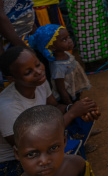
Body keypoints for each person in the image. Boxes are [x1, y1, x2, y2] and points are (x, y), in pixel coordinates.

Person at [0, 46, 100, 175]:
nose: (38, 72)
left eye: (37, 64)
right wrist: (72, 112)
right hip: (19, 159)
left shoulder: (39, 83)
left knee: (82, 114)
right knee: (69, 165)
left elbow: (54, 107)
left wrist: (75, 108)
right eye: (28, 72)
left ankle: (75, 145)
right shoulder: (7, 107)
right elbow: (33, 143)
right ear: (12, 78)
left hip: (42, 143)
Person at [13, 105, 95, 176]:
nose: (45, 161)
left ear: (64, 141)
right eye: (31, 154)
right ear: (17, 153)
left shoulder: (75, 165)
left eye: (53, 148)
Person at [29, 25, 91, 105]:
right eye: (64, 39)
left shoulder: (65, 54)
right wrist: (69, 105)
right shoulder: (58, 66)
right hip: (69, 97)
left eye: (68, 37)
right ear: (52, 47)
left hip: (74, 91)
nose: (69, 40)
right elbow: (61, 90)